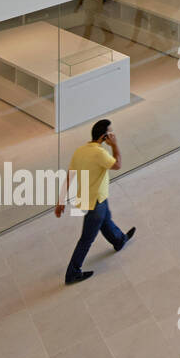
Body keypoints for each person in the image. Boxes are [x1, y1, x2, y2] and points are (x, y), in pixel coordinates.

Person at [54, 119, 136, 285]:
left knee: (106, 221)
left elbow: (70, 175)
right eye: (111, 134)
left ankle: (119, 240)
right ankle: (72, 273)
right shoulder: (100, 153)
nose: (113, 135)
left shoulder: (80, 151)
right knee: (86, 239)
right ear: (104, 137)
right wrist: (115, 145)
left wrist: (61, 200)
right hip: (96, 201)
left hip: (94, 199)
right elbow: (118, 164)